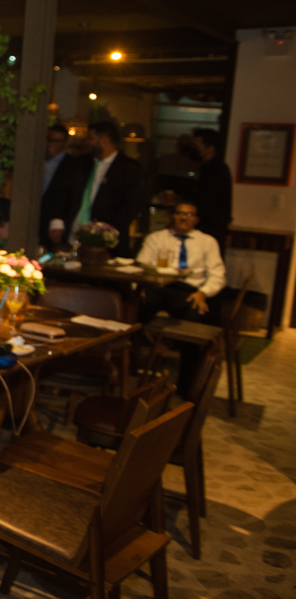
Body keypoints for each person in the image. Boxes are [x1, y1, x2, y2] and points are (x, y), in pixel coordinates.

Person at [136, 200, 226, 396]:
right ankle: (131, 369)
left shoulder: (207, 242)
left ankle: (188, 384)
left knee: (193, 319)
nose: (183, 217)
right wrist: (140, 287)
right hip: (158, 286)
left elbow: (218, 275)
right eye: (179, 213)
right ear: (172, 216)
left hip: (188, 290)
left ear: (196, 219)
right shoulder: (156, 238)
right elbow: (141, 265)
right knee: (134, 309)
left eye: (189, 214)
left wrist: (203, 292)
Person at [65, 121, 144, 257]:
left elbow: (132, 205)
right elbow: (67, 194)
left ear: (104, 139)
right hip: (74, 234)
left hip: (107, 242)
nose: (88, 143)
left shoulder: (129, 168)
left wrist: (105, 232)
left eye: (91, 138)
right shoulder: (82, 163)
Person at [190, 128, 233, 253]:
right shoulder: (205, 168)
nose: (193, 149)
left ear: (210, 148)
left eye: (197, 146)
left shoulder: (216, 170)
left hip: (210, 229)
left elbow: (206, 202)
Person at [40, 124, 81, 246]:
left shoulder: (73, 165)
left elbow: (71, 196)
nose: (51, 144)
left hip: (54, 218)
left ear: (65, 143)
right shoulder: (38, 159)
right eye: (49, 139)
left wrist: (59, 221)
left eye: (56, 141)